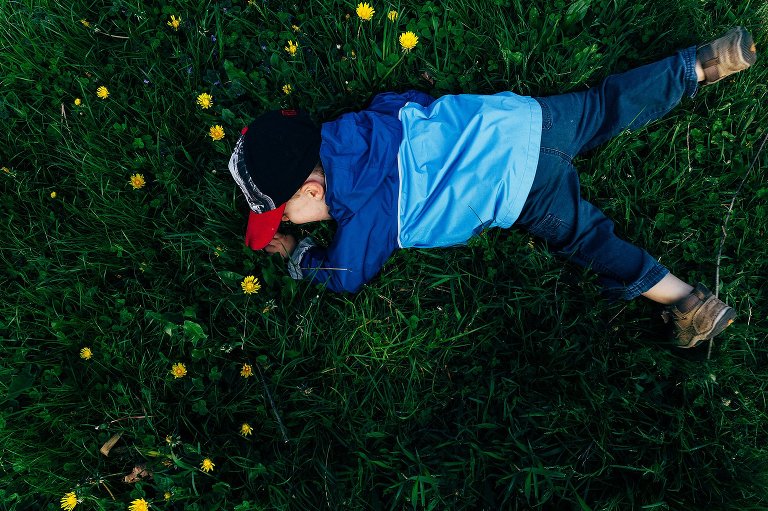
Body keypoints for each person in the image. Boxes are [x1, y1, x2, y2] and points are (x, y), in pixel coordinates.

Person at [228, 26, 757, 348]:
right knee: (604, 105)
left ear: (314, 194)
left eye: (285, 215)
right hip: (522, 122)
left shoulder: (367, 213)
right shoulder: (356, 126)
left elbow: (345, 275)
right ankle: (697, 64)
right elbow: (400, 98)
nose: (287, 224)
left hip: (522, 190)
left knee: (588, 239)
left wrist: (300, 255)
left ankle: (688, 300)